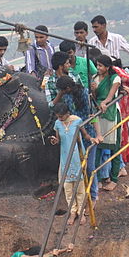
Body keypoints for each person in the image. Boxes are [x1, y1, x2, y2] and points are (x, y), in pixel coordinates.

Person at [50, 102, 100, 224]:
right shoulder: (57, 124)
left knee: (80, 187)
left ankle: (81, 212)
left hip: (77, 157)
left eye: (61, 116)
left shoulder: (77, 121)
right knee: (68, 188)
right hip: (65, 157)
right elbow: (59, 139)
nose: (59, 118)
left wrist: (92, 139)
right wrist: (55, 141)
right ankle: (72, 212)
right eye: (57, 116)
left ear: (67, 113)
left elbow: (85, 135)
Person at [54, 75, 99, 203]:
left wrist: (97, 134)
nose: (61, 93)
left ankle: (93, 195)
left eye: (62, 90)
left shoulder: (85, 93)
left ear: (67, 88)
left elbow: (93, 113)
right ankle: (82, 196)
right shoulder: (66, 97)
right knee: (79, 168)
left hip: (87, 132)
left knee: (89, 167)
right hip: (73, 135)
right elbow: (57, 107)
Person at [91, 55, 123, 192]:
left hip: (111, 112)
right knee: (98, 146)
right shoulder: (94, 78)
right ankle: (97, 179)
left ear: (107, 67)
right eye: (97, 65)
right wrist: (93, 90)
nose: (98, 68)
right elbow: (94, 97)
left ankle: (114, 178)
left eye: (101, 66)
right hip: (98, 113)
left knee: (114, 146)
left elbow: (110, 95)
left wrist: (105, 102)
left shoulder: (114, 78)